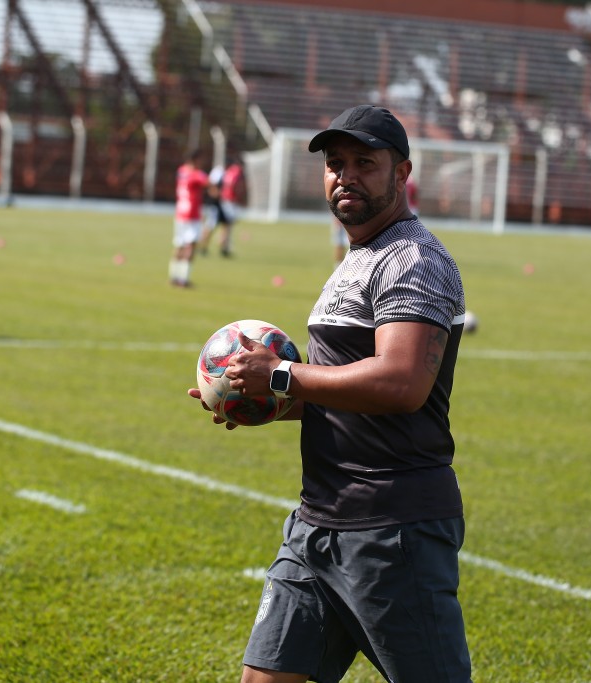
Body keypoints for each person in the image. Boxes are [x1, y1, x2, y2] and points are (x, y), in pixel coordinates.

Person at [190, 105, 472, 682]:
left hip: (392, 530)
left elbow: (400, 384)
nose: (345, 175)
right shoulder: (354, 260)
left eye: (365, 163)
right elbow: (343, 392)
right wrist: (260, 400)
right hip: (317, 522)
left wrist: (280, 376)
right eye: (335, 164)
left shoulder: (414, 259)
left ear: (402, 174)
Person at [169, 148, 209, 288]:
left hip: (180, 212)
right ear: (196, 160)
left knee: (179, 244)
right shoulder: (196, 174)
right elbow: (208, 183)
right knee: (191, 245)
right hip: (192, 215)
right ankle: (184, 279)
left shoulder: (181, 171)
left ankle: (173, 276)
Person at [199, 156, 245, 258]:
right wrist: (218, 196)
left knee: (227, 224)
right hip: (215, 204)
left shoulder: (228, 173)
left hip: (223, 203)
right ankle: (202, 247)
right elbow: (211, 187)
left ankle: (224, 248)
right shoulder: (218, 172)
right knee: (211, 225)